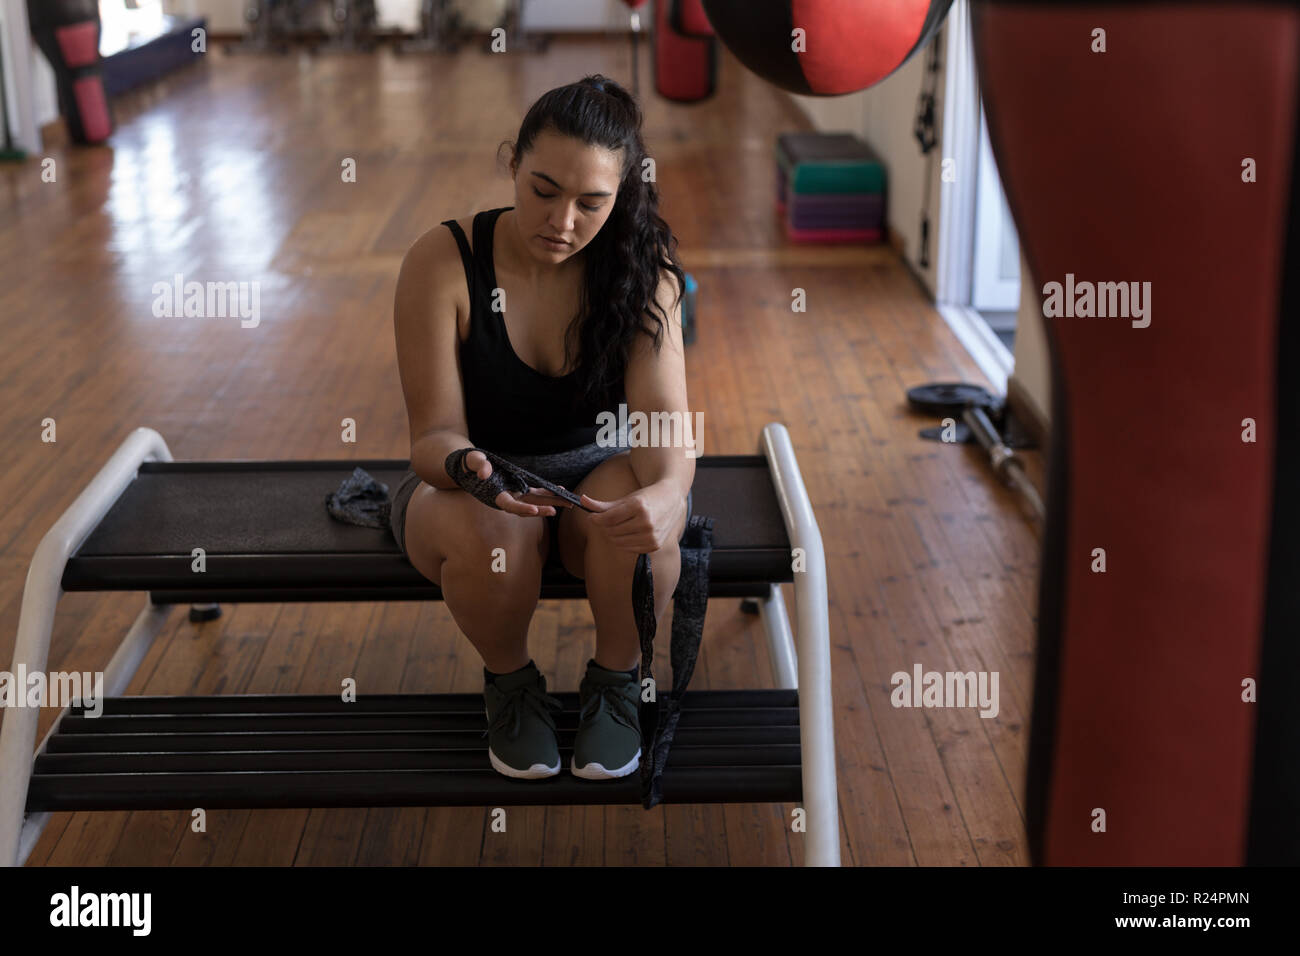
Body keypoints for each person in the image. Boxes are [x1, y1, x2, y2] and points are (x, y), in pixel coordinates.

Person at [389, 75, 695, 782]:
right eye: (543, 189)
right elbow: (433, 435)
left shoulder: (642, 272)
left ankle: (615, 682)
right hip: (470, 483)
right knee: (494, 529)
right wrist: (473, 471)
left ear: (620, 198)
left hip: (593, 475)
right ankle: (511, 681)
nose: (562, 221)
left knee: (646, 521)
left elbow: (662, 423)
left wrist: (672, 492)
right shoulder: (442, 262)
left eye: (592, 202)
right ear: (511, 165)